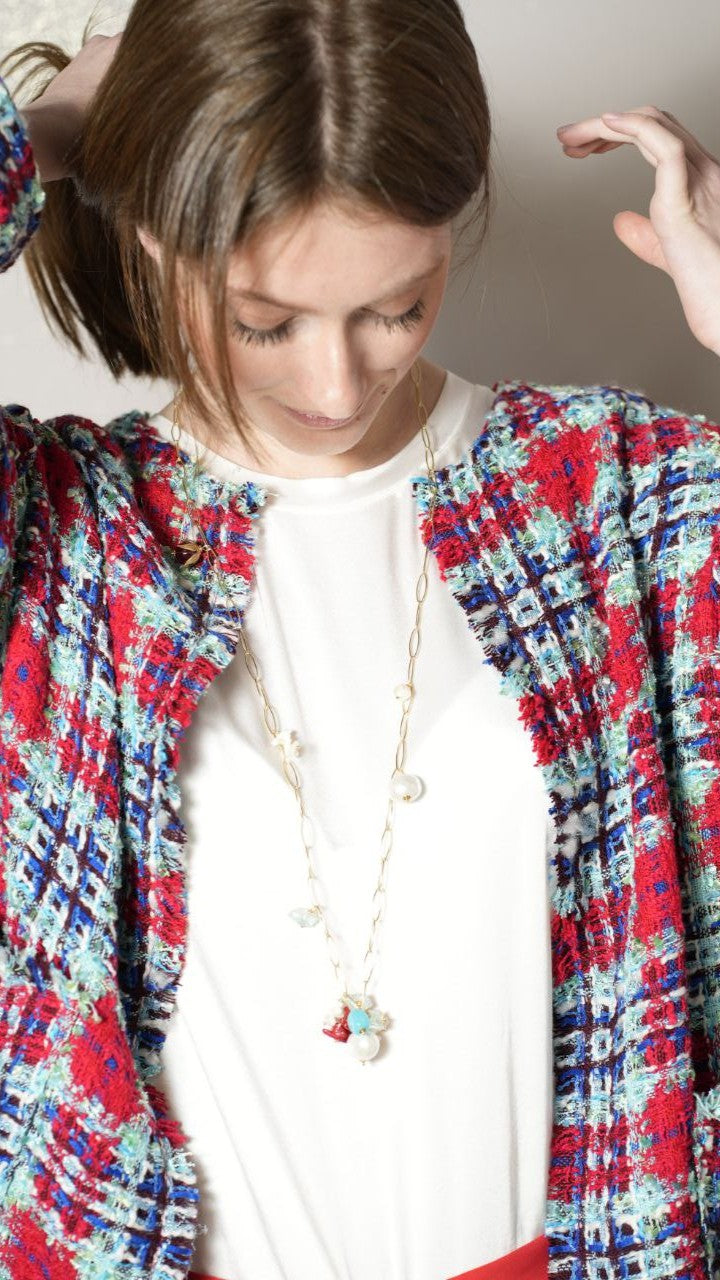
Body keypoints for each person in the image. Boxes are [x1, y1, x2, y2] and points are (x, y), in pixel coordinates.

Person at [0, 5, 719, 1279]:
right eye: (265, 320)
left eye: (396, 305)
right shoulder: (57, 540)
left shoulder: (622, 501)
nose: (335, 386)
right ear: (154, 234)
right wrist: (54, 131)